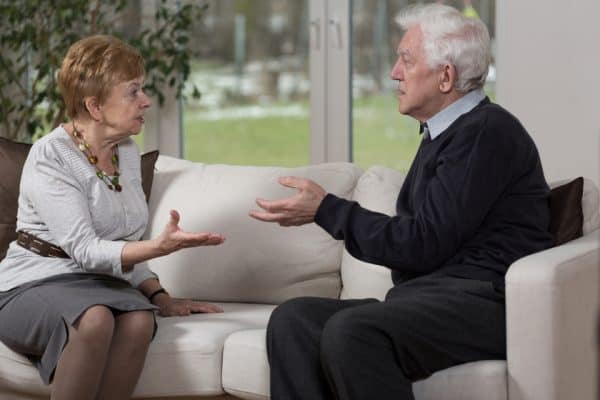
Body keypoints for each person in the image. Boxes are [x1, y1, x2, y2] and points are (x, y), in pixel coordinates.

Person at [250, 4, 553, 400]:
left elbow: (424, 243)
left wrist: (327, 210)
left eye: (406, 60)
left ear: (446, 77)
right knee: (294, 320)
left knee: (353, 331)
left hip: (483, 304)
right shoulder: (444, 133)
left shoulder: (485, 132)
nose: (395, 72)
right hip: (436, 299)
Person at [0, 35, 225, 400]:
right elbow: (88, 251)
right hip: (31, 284)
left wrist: (161, 297)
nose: (146, 101)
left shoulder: (127, 153)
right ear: (95, 106)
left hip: (96, 285)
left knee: (139, 320)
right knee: (95, 319)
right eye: (133, 92)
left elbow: (121, 246)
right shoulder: (50, 156)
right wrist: (159, 247)